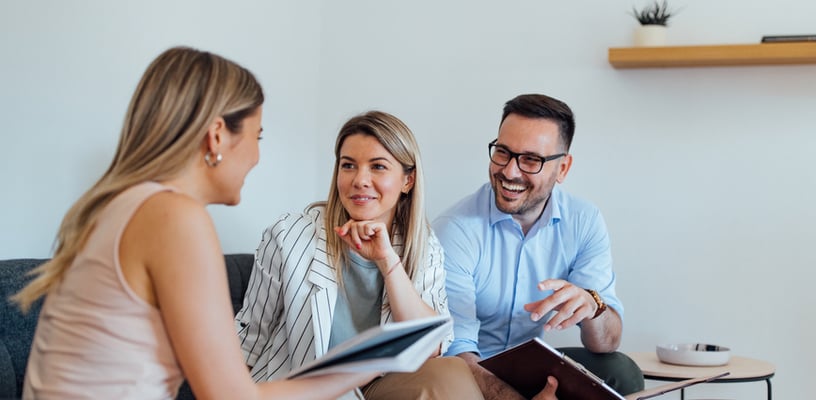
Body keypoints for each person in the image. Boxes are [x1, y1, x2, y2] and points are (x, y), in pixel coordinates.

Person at [11, 46, 379, 399]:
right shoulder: (175, 218)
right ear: (217, 135)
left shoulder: (117, 207)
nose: (256, 156)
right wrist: (367, 363)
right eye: (258, 136)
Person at [235, 111, 484, 400]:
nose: (360, 180)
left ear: (408, 181)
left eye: (378, 167)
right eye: (348, 165)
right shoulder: (288, 234)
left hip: (377, 387)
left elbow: (430, 346)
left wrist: (388, 262)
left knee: (452, 372)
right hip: (301, 387)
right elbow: (251, 335)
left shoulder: (424, 245)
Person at [432, 94, 645, 399]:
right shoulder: (455, 229)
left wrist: (592, 306)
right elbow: (455, 350)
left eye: (531, 159)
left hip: (528, 365)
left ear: (563, 168)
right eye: (503, 152)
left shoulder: (583, 221)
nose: (510, 171)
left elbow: (607, 342)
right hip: (468, 370)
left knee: (620, 372)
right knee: (452, 376)